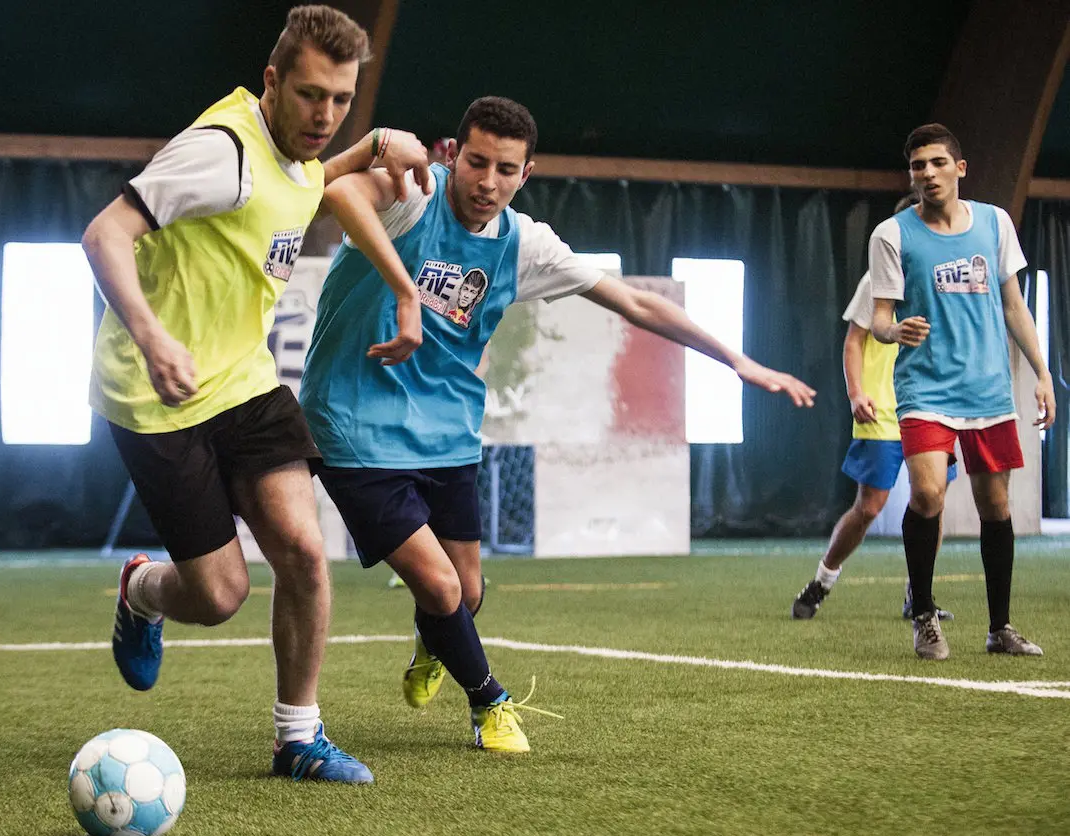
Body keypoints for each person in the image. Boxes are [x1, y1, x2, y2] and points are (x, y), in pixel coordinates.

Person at [301, 96, 817, 752]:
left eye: (506, 169)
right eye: (477, 162)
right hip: (352, 418)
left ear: (527, 173)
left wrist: (738, 360)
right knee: (438, 583)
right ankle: (490, 701)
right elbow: (338, 188)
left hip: (448, 427)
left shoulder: (526, 244)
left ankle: (436, 642)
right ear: (449, 154)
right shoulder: (412, 194)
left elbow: (634, 302)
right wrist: (405, 288)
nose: (488, 181)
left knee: (469, 591)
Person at [80, 5, 434, 784]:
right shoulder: (218, 154)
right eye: (311, 96)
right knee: (219, 594)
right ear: (272, 81)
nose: (325, 116)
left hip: (243, 380)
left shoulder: (300, 153)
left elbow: (307, 180)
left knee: (306, 551)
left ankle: (297, 738)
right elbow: (103, 234)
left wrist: (375, 145)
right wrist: (150, 334)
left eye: (341, 100)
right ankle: (142, 589)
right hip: (155, 390)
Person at [869, 123, 1055, 660]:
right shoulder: (892, 235)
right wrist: (894, 331)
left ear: (959, 168)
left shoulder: (995, 223)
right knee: (928, 493)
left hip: (988, 388)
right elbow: (880, 318)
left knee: (995, 506)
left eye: (936, 163)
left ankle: (1000, 629)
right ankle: (924, 614)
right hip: (924, 386)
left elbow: (1014, 305)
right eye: (917, 166)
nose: (927, 173)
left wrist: (1041, 373)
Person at [791, 195, 958, 621]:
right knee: (869, 507)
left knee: (932, 499)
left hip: (932, 406)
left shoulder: (946, 279)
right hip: (882, 410)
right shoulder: (876, 282)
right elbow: (853, 341)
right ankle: (821, 581)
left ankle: (917, 595)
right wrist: (855, 392)